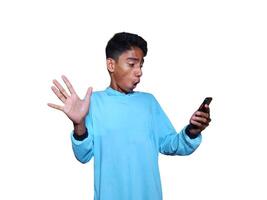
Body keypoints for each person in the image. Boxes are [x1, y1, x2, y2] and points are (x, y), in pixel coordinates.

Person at [48, 32, 211, 200]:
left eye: (141, 65)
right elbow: (83, 155)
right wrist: (79, 124)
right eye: (132, 64)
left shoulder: (148, 102)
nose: (139, 71)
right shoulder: (93, 103)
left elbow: (170, 144)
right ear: (111, 65)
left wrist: (192, 130)